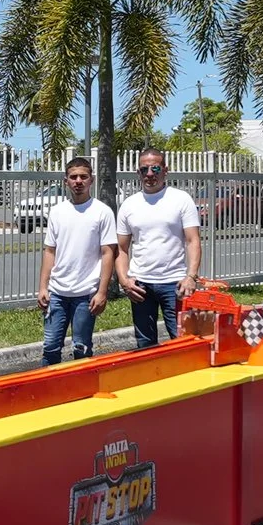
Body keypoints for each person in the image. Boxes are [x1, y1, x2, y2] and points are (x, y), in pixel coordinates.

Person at [116, 150, 202, 348]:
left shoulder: (181, 199)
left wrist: (191, 276)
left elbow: (193, 240)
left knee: (183, 342)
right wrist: (124, 281)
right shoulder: (129, 205)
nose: (149, 174)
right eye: (144, 169)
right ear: (138, 172)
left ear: (165, 170)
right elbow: (121, 248)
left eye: (155, 168)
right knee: (145, 345)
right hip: (140, 284)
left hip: (175, 283)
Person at [37, 156, 116, 367]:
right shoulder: (57, 212)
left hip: (85, 294)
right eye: (73, 177)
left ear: (92, 180)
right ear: (66, 181)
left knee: (81, 349)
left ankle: (82, 387)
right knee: (50, 347)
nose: (78, 181)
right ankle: (49, 386)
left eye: (83, 176)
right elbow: (50, 251)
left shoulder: (102, 212)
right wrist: (43, 287)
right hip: (57, 294)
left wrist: (102, 292)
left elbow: (108, 253)